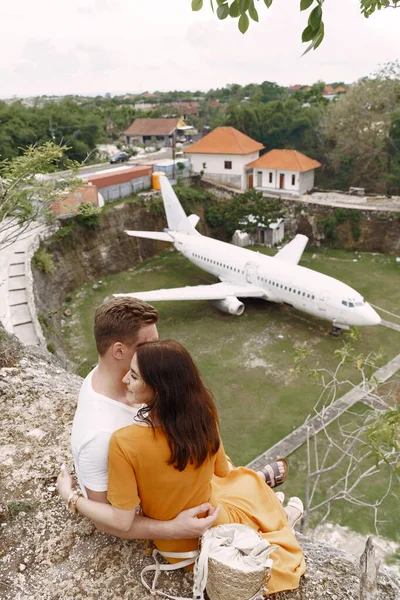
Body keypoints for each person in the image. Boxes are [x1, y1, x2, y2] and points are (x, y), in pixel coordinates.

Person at [59, 340, 305, 595]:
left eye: (134, 376)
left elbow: (122, 521)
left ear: (157, 388)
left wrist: (71, 497)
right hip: (208, 518)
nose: (124, 380)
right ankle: (279, 515)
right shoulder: (204, 414)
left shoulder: (124, 442)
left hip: (177, 546)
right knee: (243, 481)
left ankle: (278, 514)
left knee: (243, 483)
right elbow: (220, 471)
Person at [70, 297, 291, 541]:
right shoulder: (101, 435)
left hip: (177, 474)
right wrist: (173, 529)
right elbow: (110, 521)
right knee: (236, 501)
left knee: (219, 465)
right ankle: (261, 497)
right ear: (119, 351)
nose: (158, 350)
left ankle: (253, 485)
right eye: (147, 345)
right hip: (170, 507)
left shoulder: (122, 380)